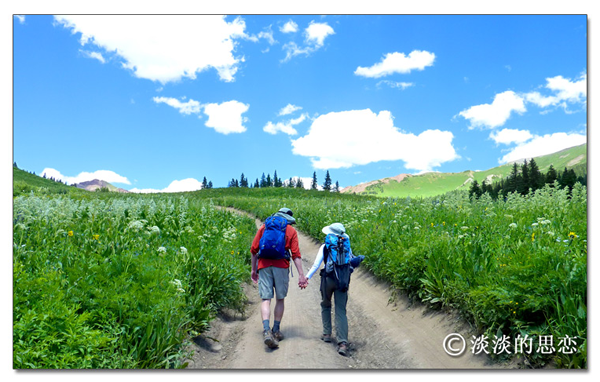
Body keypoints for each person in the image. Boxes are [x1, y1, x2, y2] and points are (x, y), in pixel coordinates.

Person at [251, 207, 308, 349]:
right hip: (281, 266)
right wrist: (301, 274)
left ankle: (266, 330)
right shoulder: (291, 231)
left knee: (266, 299)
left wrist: (253, 269)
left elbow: (253, 250)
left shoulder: (264, 227)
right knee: (280, 299)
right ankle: (276, 330)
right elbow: (296, 254)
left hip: (263, 265)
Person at [306, 223, 364, 356]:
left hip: (327, 279)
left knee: (326, 305)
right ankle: (343, 343)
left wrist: (306, 278)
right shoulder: (346, 246)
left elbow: (316, 265)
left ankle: (327, 333)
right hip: (342, 281)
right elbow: (350, 263)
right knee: (341, 310)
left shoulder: (325, 246)